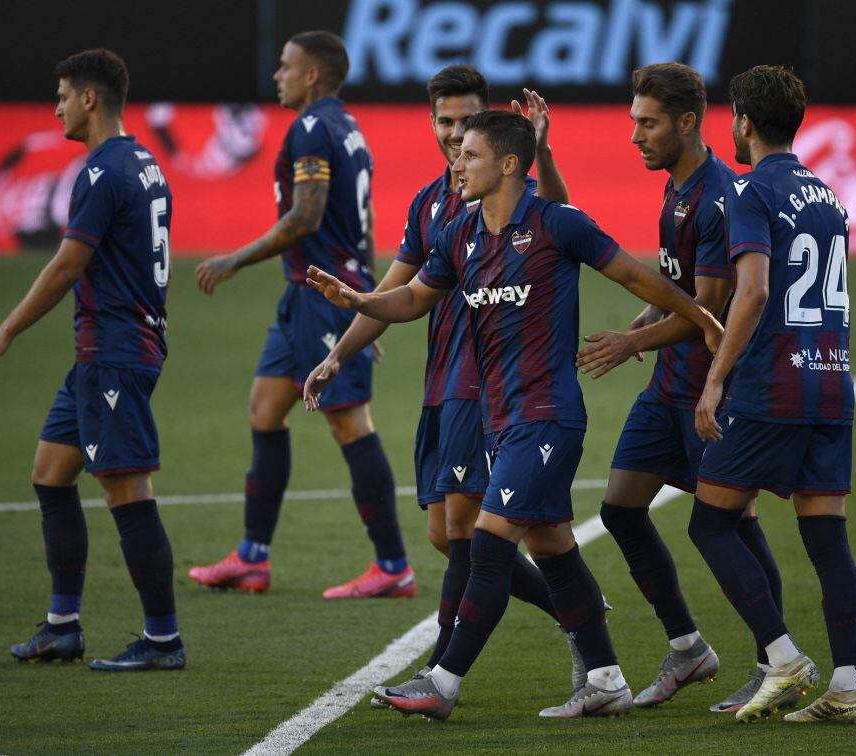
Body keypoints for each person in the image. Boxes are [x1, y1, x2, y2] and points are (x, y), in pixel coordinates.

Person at [308, 110, 723, 720]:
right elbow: (416, 297)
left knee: (488, 539)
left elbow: (639, 277)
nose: (457, 163)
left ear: (507, 163)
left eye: (469, 155)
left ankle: (443, 682)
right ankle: (606, 678)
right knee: (552, 546)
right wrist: (361, 300)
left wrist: (704, 320)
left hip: (548, 416)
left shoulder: (558, 224)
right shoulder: (459, 234)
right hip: (497, 419)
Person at [303, 65, 585, 699]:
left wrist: (541, 147)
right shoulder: (432, 203)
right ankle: (580, 620)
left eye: (466, 123)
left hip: (485, 385)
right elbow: (394, 294)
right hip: (441, 382)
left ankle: (441, 670)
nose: (455, 136)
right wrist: (339, 353)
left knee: (468, 533)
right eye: (445, 122)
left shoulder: (511, 189)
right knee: (450, 534)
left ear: (491, 124)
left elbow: (567, 222)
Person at [575, 62, 792, 714]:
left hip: (710, 396)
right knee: (619, 509)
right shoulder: (676, 189)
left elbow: (708, 311)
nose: (636, 136)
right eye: (633, 122)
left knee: (733, 523)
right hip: (667, 390)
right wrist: (643, 322)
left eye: (649, 123)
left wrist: (630, 342)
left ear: (687, 122)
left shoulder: (720, 196)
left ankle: (771, 662)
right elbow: (677, 290)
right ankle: (687, 647)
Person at [0, 48, 184, 671]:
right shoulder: (144, 161)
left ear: (89, 98)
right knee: (50, 472)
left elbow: (69, 263)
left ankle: (163, 639)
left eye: (62, 94)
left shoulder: (99, 172)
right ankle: (63, 625)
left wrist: (4, 331)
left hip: (114, 350)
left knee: (126, 489)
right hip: (112, 347)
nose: (56, 105)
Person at [190, 31, 413, 599]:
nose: (277, 76)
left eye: (286, 67)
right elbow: (356, 222)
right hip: (311, 294)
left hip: (324, 294)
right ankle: (252, 558)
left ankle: (393, 566)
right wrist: (370, 302)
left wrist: (235, 258)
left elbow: (306, 216)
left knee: (348, 422)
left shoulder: (312, 127)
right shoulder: (348, 127)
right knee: (265, 410)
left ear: (313, 75)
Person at [690, 65, 856, 724]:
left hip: (774, 384)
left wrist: (715, 380)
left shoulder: (749, 190)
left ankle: (783, 656)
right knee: (827, 539)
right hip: (832, 379)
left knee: (710, 521)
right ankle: (848, 686)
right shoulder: (827, 194)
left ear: (742, 119)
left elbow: (756, 289)